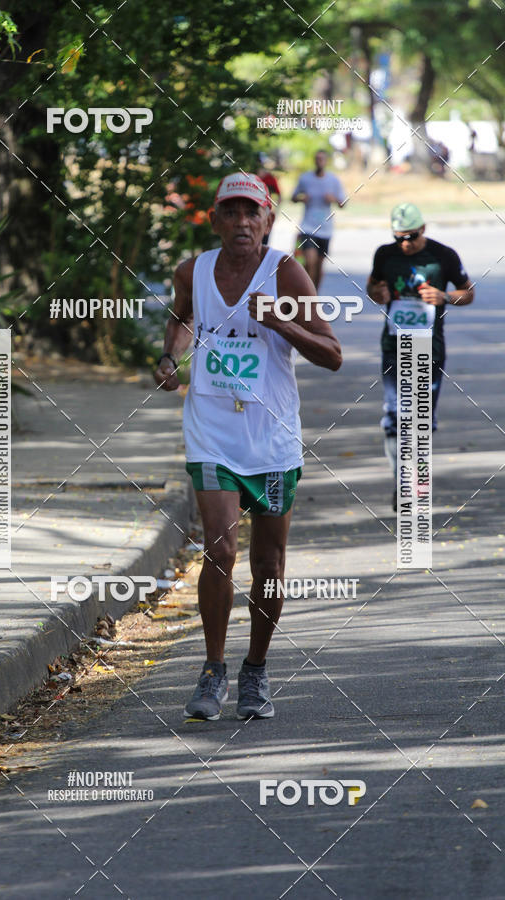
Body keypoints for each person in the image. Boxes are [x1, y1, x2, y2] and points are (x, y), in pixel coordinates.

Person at [154, 173, 342, 721]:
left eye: (251, 214)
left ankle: (255, 669)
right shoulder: (192, 270)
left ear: (268, 221)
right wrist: (170, 359)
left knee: (269, 562)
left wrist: (282, 321)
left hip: (272, 438)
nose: (242, 223)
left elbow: (331, 353)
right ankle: (213, 670)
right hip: (212, 430)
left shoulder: (286, 273)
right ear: (214, 220)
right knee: (221, 549)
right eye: (230, 213)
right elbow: (185, 316)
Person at [367, 202, 474, 510]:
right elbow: (372, 287)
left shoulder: (444, 256)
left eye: (411, 236)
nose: (405, 243)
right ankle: (403, 483)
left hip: (430, 350)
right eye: (399, 236)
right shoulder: (385, 254)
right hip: (393, 346)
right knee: (393, 418)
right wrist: (379, 294)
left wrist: (444, 297)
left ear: (423, 229)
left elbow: (469, 293)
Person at [291, 149, 346, 289]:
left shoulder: (333, 180)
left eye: (322, 159)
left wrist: (333, 199)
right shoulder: (305, 178)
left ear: (326, 161)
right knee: (310, 262)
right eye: (317, 159)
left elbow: (343, 203)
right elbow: (293, 197)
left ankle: (314, 294)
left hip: (326, 229)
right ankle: (307, 294)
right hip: (308, 227)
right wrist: (301, 198)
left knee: (319, 266)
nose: (319, 161)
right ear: (314, 161)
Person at [257, 166, 281, 246]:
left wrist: (276, 209)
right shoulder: (253, 177)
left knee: (265, 236)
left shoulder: (270, 179)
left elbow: (279, 195)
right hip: (254, 208)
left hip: (265, 209)